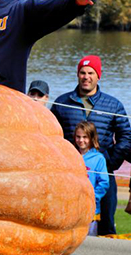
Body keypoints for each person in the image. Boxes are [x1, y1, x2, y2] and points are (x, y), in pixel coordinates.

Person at [51, 55, 131, 235]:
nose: (86, 77)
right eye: (82, 72)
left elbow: (126, 136)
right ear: (77, 75)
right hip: (71, 172)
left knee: (106, 223)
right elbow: (53, 134)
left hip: (103, 171)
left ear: (98, 76)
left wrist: (109, 161)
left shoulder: (113, 105)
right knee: (67, 219)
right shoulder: (61, 103)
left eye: (90, 73)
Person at [74, 121, 109, 236]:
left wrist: (93, 197)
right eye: (78, 137)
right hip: (72, 207)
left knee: (89, 240)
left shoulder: (99, 158)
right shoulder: (71, 155)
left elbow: (104, 183)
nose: (81, 140)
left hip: (90, 209)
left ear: (92, 138)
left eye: (85, 137)